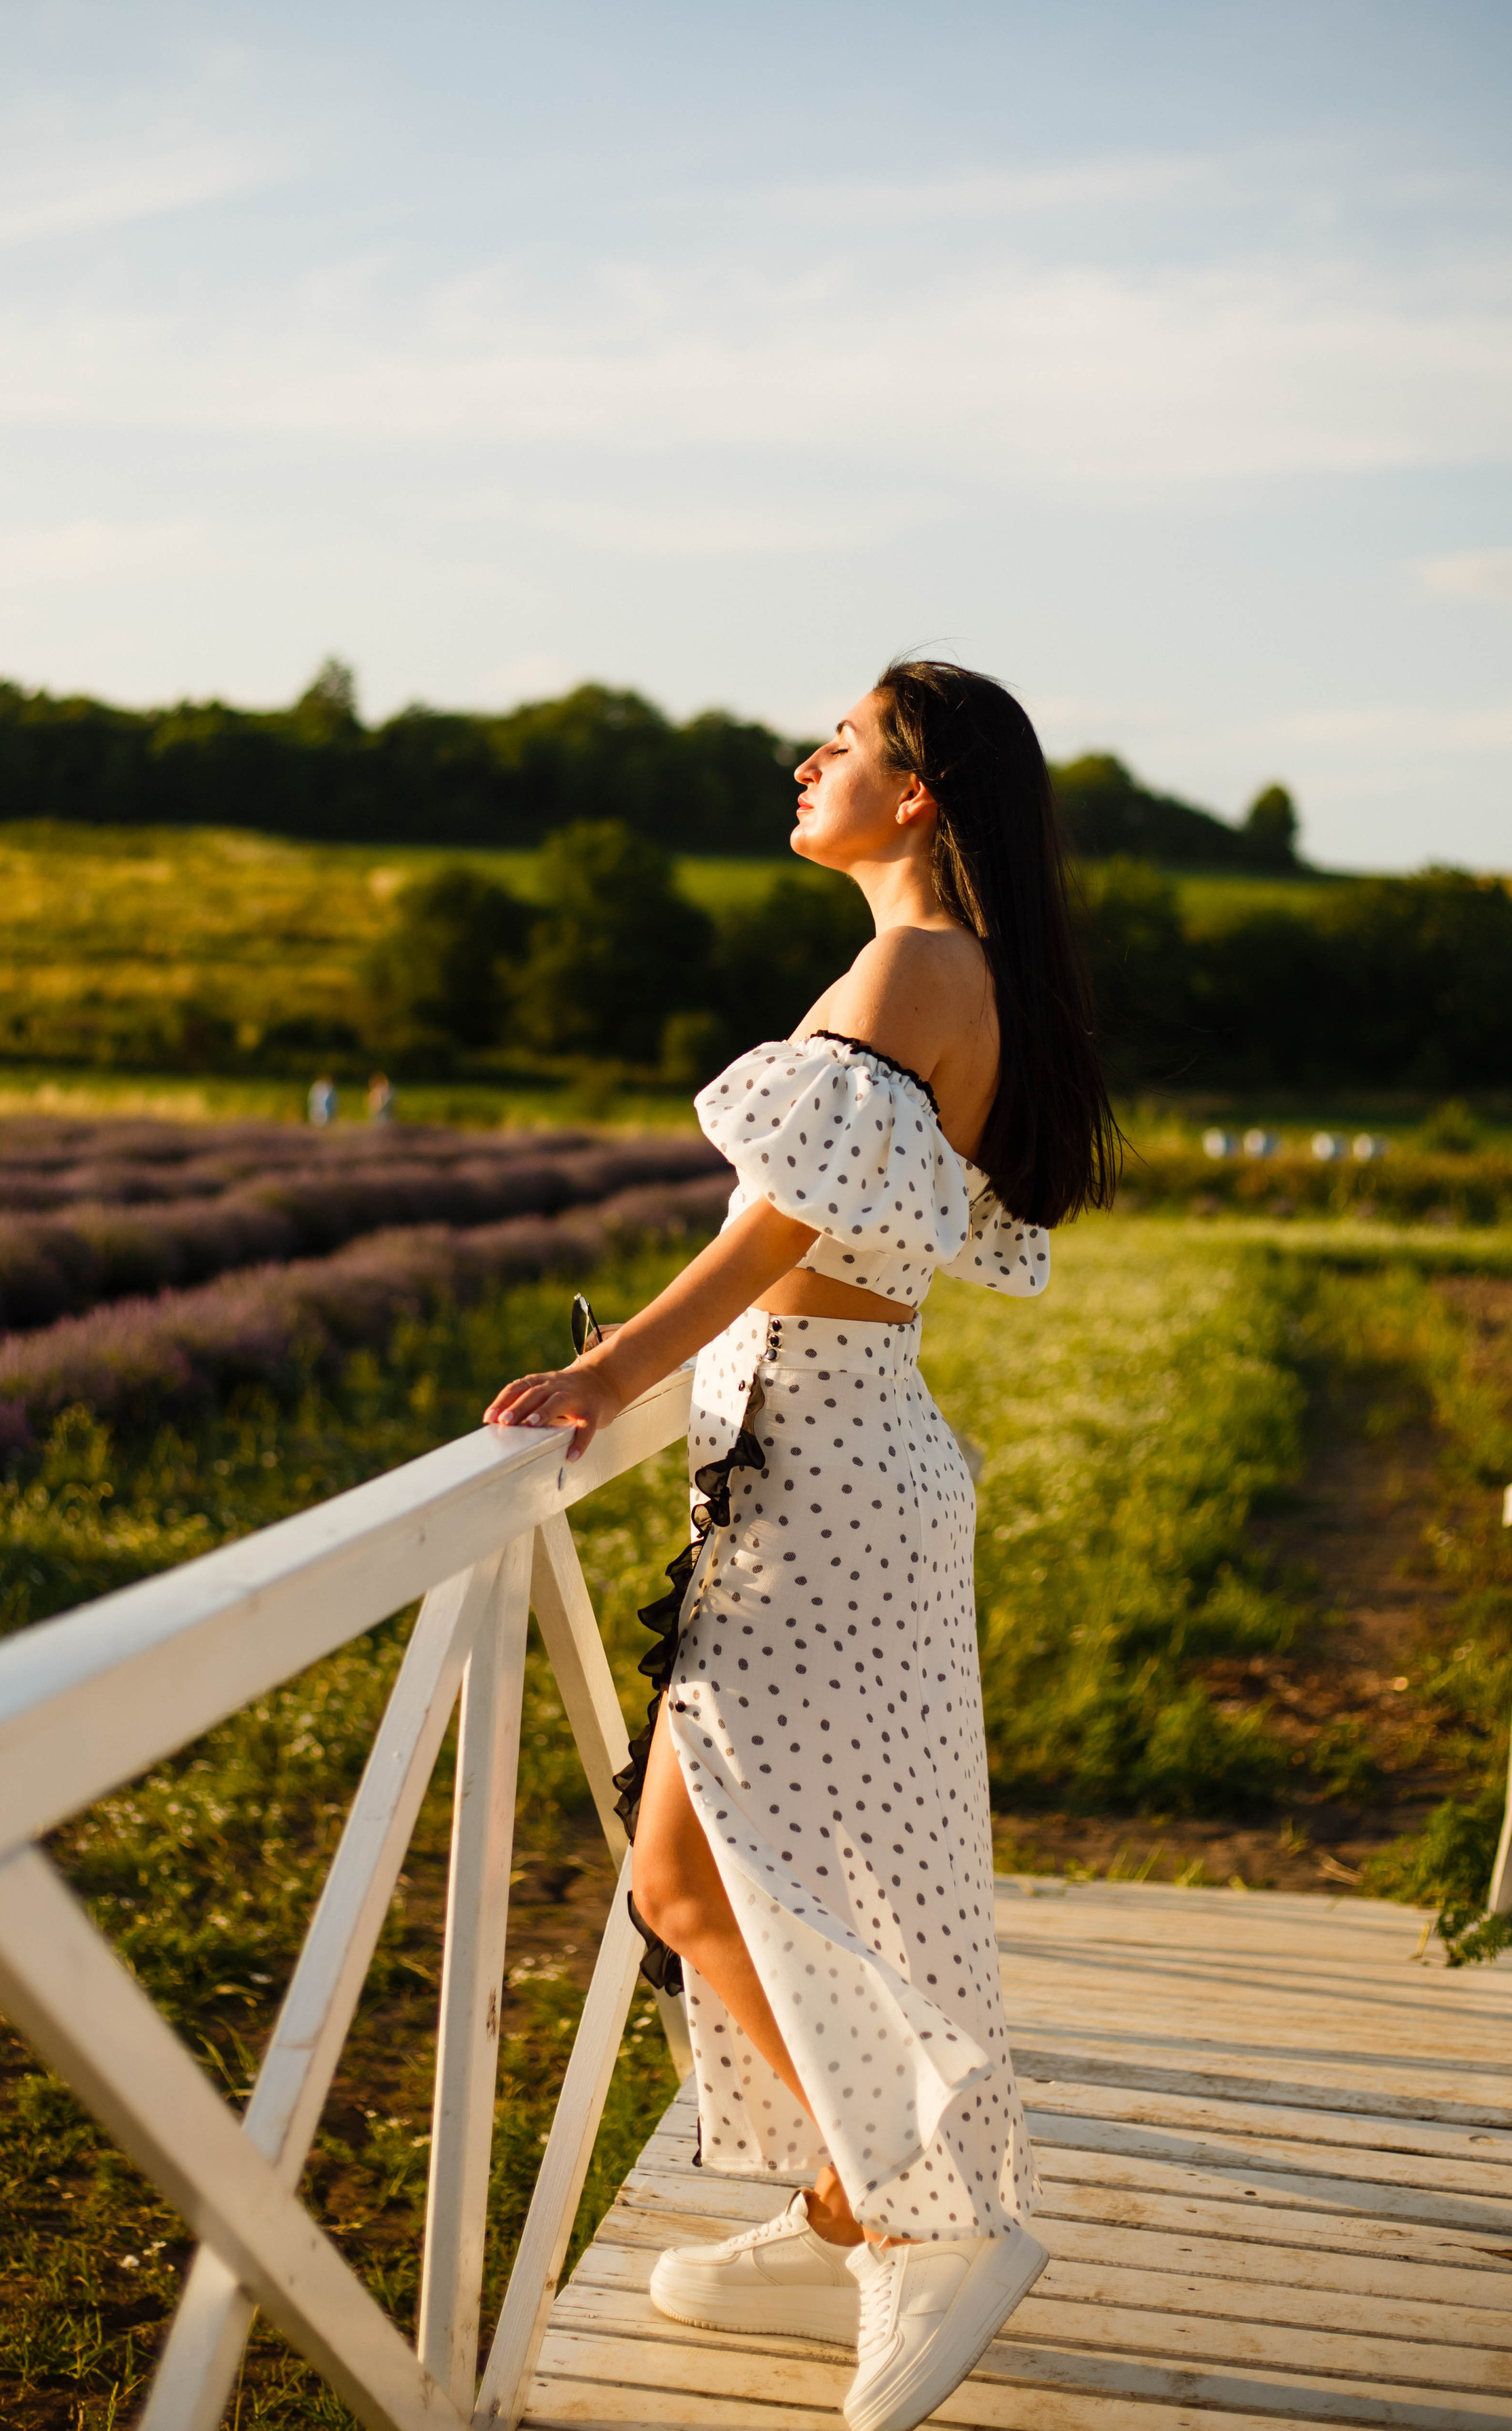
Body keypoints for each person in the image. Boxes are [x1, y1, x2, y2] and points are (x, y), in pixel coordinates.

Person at [484, 661, 1119, 2431]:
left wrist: (606, 1366)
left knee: (717, 1882)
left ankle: (924, 2222)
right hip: (824, 1468)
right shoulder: (940, 971)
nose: (806, 759)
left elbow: (781, 1234)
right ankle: (860, 2205)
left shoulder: (914, 966)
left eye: (841, 742)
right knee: (725, 1882)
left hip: (821, 1478)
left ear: (916, 796)